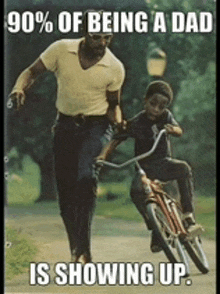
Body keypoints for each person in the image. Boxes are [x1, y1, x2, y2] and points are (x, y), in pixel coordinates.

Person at [8, 10, 125, 263]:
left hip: (96, 126)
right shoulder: (61, 49)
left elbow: (113, 104)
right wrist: (19, 88)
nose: (102, 43)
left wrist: (119, 122)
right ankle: (77, 247)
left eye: (108, 37)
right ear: (84, 32)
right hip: (65, 126)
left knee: (86, 175)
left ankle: (84, 247)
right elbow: (31, 72)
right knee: (66, 192)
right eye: (96, 37)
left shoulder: (114, 67)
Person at [98, 80, 202, 253]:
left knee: (183, 169)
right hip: (144, 169)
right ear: (145, 100)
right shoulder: (136, 122)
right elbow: (116, 140)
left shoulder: (165, 116)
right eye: (153, 104)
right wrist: (102, 156)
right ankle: (154, 225)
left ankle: (188, 215)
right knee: (136, 192)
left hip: (163, 163)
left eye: (161, 106)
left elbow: (178, 129)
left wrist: (172, 130)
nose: (156, 110)